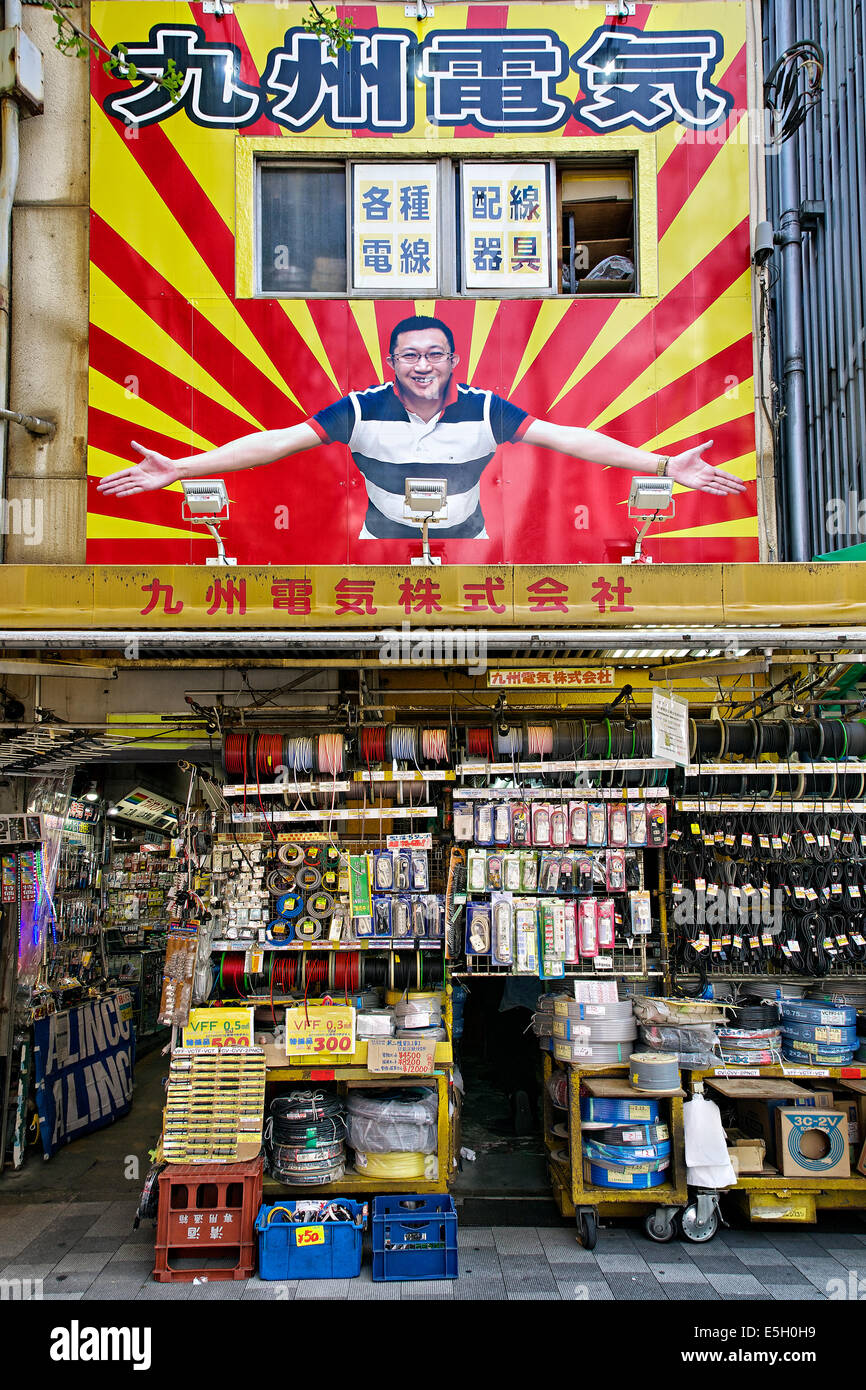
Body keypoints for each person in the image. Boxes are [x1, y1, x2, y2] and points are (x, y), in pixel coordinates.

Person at [97, 314, 746, 539]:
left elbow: (570, 438)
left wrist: (662, 466)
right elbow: (273, 444)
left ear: (453, 361)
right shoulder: (357, 409)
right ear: (391, 363)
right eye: (410, 354)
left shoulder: (489, 409)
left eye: (435, 354)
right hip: (380, 542)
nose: (423, 365)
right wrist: (181, 469)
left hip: (467, 542)